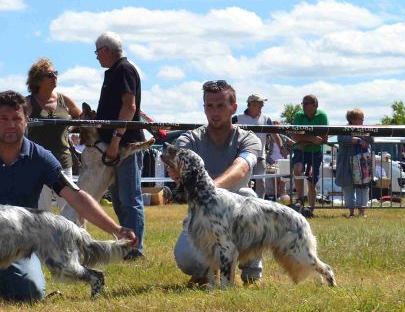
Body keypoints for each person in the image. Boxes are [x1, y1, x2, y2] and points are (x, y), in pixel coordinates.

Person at [0, 90, 136, 306]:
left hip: (20, 243)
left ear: (26, 121)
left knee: (30, 293)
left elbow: (76, 197)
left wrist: (116, 229)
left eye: (16, 119)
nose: (11, 125)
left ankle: (4, 280)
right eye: (4, 119)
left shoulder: (40, 157)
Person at [168, 80, 265, 285]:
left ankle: (251, 273)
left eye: (220, 106)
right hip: (203, 216)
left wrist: (208, 189)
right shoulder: (189, 140)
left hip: (237, 211)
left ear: (234, 108)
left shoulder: (249, 140)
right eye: (209, 106)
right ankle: (205, 272)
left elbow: (242, 168)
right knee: (187, 259)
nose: (214, 112)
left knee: (249, 196)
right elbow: (177, 164)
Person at [94, 31, 145, 260]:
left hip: (126, 145)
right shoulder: (114, 71)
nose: (96, 57)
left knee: (129, 199)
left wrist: (115, 140)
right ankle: (126, 245)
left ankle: (134, 249)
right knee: (118, 198)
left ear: (106, 50)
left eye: (97, 52)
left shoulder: (123, 70)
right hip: (117, 144)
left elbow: (129, 107)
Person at [26, 57, 82, 210]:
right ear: (37, 80)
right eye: (50, 75)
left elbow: (80, 117)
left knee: (69, 209)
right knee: (41, 212)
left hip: (63, 162)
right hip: (37, 164)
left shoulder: (65, 100)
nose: (55, 77)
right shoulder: (28, 103)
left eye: (55, 73)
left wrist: (70, 130)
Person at [233, 94, 283, 200]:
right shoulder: (237, 118)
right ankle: (244, 203)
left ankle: (260, 204)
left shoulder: (266, 118)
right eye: (260, 102)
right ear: (252, 104)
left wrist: (282, 147)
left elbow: (275, 134)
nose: (263, 105)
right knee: (244, 183)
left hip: (260, 156)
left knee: (261, 183)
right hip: (243, 156)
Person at [290, 94, 329, 218]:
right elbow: (295, 136)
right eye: (303, 103)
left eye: (306, 103)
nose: (304, 106)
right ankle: (300, 201)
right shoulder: (298, 115)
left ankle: (311, 209)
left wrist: (304, 141)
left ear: (315, 105)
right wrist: (312, 139)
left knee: (312, 181)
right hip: (300, 150)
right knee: (297, 169)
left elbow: (324, 138)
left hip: (315, 152)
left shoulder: (322, 116)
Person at [336, 108, 373, 218]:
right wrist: (358, 140)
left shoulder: (365, 129)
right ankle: (351, 212)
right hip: (346, 165)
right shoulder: (343, 130)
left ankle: (362, 212)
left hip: (362, 165)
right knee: (348, 188)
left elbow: (371, 139)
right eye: (360, 119)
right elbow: (343, 139)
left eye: (363, 118)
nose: (362, 121)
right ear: (352, 119)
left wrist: (365, 139)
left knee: (363, 187)